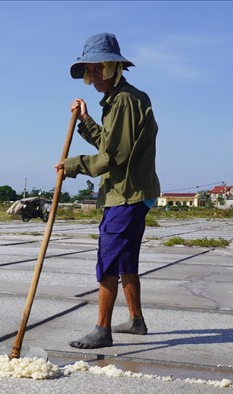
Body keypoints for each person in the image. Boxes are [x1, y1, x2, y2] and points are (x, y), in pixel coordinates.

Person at [55, 32, 161, 349]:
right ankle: (136, 320)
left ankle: (102, 329)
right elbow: (108, 142)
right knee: (126, 260)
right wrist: (85, 120)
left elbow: (112, 157)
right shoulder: (118, 101)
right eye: (89, 71)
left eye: (98, 68)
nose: (94, 76)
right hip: (130, 193)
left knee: (109, 261)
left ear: (114, 67)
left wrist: (71, 165)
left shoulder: (126, 101)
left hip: (126, 195)